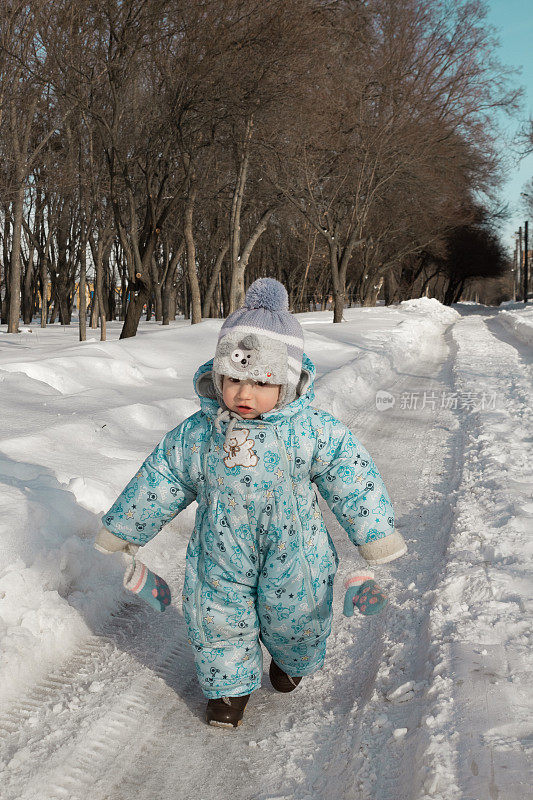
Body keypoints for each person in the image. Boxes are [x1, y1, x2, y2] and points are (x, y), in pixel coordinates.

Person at [94, 278, 407, 728]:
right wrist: (124, 529)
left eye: (261, 383)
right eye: (233, 379)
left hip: (295, 548)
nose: (244, 394)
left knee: (297, 615)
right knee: (218, 617)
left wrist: (375, 534)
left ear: (288, 382)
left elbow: (351, 477)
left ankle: (290, 661)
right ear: (217, 375)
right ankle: (229, 691)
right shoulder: (200, 433)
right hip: (219, 550)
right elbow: (161, 477)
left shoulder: (312, 430)